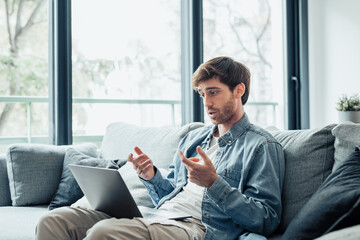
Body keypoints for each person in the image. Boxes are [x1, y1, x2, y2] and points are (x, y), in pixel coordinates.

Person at [36, 56, 285, 240]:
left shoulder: (261, 146)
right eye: (201, 94)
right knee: (54, 221)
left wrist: (213, 183)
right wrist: (152, 177)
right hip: (157, 216)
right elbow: (170, 195)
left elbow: (266, 219)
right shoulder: (194, 139)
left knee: (104, 233)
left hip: (197, 227)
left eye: (213, 92)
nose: (207, 102)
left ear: (238, 90)